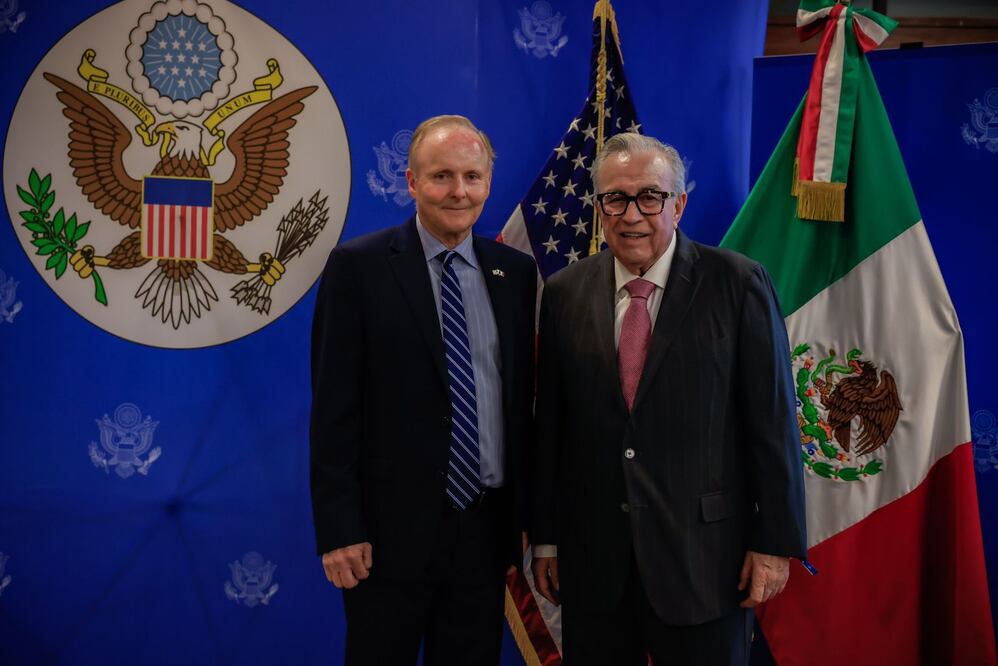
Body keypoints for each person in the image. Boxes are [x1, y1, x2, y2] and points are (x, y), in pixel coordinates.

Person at [530, 133, 806, 665]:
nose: (632, 214)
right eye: (615, 198)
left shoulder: (738, 284)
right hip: (595, 564)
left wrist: (774, 542)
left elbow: (772, 425)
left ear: (679, 204)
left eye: (649, 196)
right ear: (599, 207)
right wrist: (546, 539)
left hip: (705, 564)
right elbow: (552, 429)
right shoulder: (564, 292)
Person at [310, 115, 536, 665]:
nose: (459, 192)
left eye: (472, 177)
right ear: (411, 183)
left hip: (483, 534)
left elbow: (520, 405)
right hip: (385, 539)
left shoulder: (516, 273)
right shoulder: (357, 269)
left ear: (487, 183)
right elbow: (334, 412)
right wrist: (340, 529)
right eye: (442, 177)